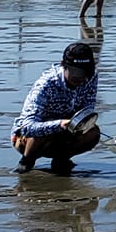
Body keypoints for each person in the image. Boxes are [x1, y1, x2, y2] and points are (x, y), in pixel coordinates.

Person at [13, 41, 103, 172]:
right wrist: (59, 124)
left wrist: (82, 122)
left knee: (92, 132)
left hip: (68, 131)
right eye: (74, 72)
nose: (79, 78)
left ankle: (61, 160)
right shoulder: (45, 85)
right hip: (30, 139)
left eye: (84, 73)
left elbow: (87, 108)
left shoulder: (91, 77)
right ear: (64, 66)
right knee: (44, 130)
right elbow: (27, 127)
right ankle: (26, 162)